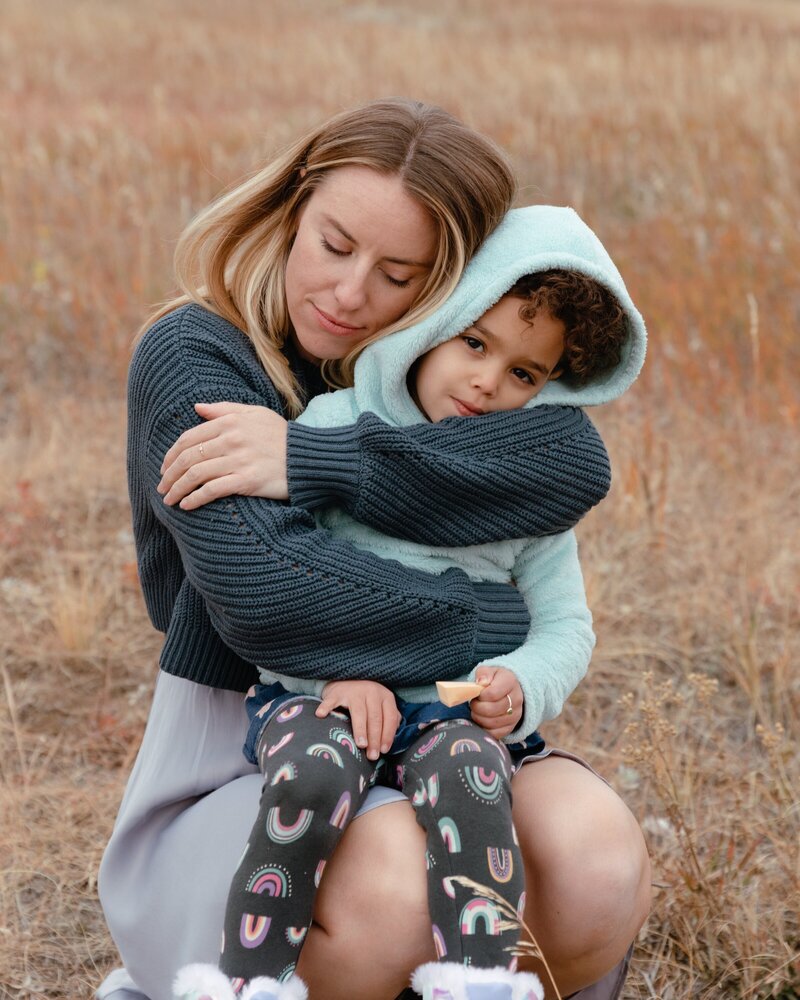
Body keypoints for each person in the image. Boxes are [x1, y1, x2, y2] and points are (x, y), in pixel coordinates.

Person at [97, 98, 650, 1000]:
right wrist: (490, 617)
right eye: (334, 243)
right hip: (245, 752)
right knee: (396, 888)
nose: (353, 296)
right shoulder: (195, 355)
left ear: (455, 291)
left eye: (402, 274)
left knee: (595, 864)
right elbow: (271, 595)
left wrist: (308, 457)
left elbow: (571, 465)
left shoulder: (449, 374)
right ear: (291, 210)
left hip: (441, 729)